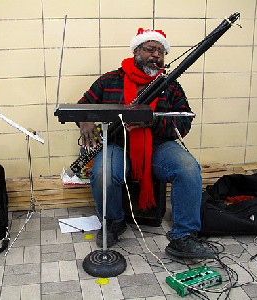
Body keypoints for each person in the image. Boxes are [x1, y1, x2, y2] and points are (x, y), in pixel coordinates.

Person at [76, 28, 214, 259]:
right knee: (103, 171)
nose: (156, 55)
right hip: (117, 144)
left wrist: (151, 124)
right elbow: (83, 105)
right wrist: (84, 122)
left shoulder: (170, 85)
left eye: (161, 51)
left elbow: (184, 123)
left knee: (188, 169)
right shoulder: (110, 80)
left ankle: (184, 236)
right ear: (136, 51)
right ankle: (113, 222)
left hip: (159, 145)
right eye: (150, 49)